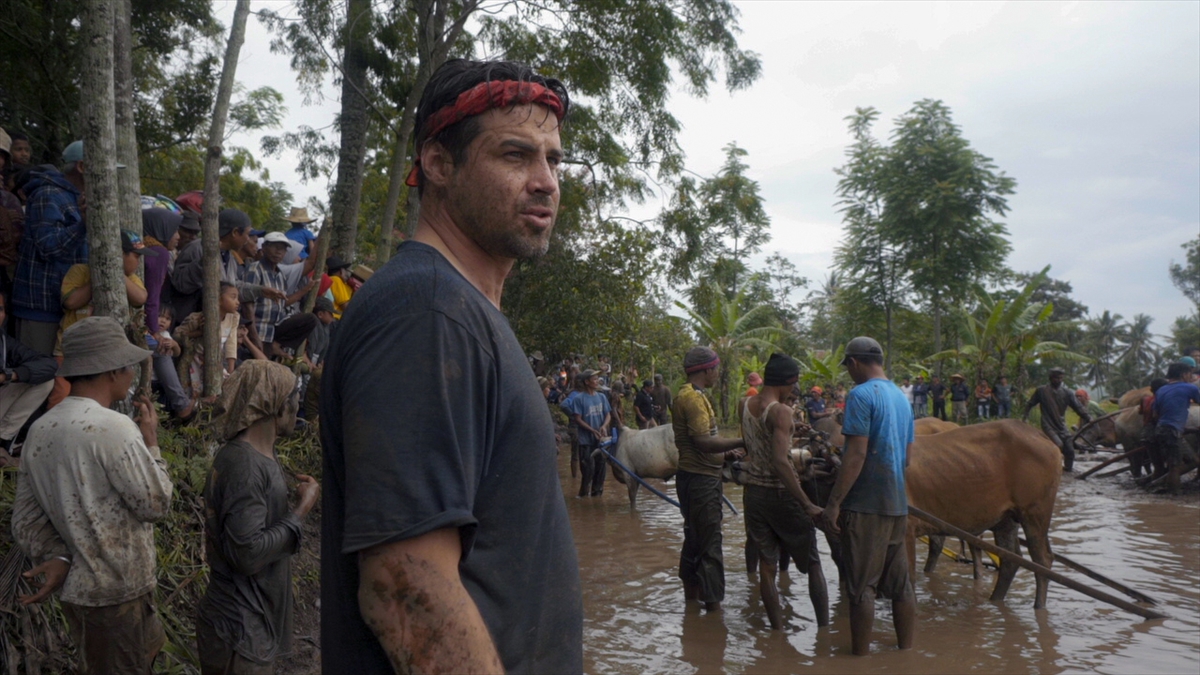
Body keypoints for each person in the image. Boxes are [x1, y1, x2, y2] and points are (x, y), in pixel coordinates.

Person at [319, 58, 581, 674]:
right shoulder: (427, 313)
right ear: (438, 164)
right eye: (516, 155)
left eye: (554, 159)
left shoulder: (463, 313)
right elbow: (407, 591)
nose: (545, 181)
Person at [12, 316, 173, 674]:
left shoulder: (40, 429)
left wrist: (61, 557)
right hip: (120, 592)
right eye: (129, 364)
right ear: (112, 371)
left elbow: (24, 520)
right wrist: (152, 443)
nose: (133, 373)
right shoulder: (114, 427)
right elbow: (155, 504)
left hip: (82, 593)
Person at [196, 360, 320, 675]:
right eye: (295, 399)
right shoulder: (246, 465)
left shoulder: (258, 457)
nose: (299, 406)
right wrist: (300, 511)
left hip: (248, 623)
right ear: (277, 406)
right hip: (239, 629)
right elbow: (247, 554)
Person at [819, 336, 915, 656]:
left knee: (861, 588)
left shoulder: (861, 394)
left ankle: (858, 660)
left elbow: (856, 454)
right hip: (897, 504)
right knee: (901, 587)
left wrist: (833, 504)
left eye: (848, 366)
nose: (848, 373)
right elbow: (907, 458)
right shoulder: (902, 398)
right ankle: (906, 652)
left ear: (855, 363)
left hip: (866, 505)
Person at [740, 353, 828, 630]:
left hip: (753, 494)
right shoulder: (781, 411)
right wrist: (807, 504)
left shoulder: (744, 404)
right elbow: (780, 461)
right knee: (813, 563)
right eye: (795, 384)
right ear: (789, 382)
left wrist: (789, 430)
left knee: (767, 567)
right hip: (781, 495)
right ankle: (825, 631)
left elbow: (754, 443)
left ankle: (777, 631)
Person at [673, 346, 746, 613]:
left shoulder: (693, 396)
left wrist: (726, 452)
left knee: (694, 538)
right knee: (710, 543)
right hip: (701, 480)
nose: (718, 373)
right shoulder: (693, 399)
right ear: (707, 370)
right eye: (716, 368)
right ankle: (714, 610)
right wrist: (742, 439)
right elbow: (703, 442)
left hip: (695, 475)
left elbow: (703, 441)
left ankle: (691, 605)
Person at [12, 143, 90, 355]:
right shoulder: (49, 195)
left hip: (70, 308)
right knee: (39, 379)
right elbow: (48, 247)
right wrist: (83, 225)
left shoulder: (80, 198)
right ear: (82, 166)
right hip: (42, 307)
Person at [171, 209, 283, 323]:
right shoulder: (198, 248)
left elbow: (232, 288)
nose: (247, 239)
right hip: (190, 325)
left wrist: (261, 291)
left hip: (213, 326)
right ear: (235, 232)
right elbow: (180, 284)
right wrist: (204, 261)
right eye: (247, 234)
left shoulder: (229, 256)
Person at [59, 230, 151, 352]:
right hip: (71, 347)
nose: (138, 263)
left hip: (106, 348)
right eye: (136, 256)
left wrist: (115, 271)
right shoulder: (80, 271)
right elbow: (70, 302)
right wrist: (100, 274)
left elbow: (140, 298)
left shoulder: (131, 278)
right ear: (121, 254)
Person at [0, 292, 57, 465]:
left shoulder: (4, 341)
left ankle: (2, 441)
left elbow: (49, 365)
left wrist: (8, 375)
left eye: (0, 309)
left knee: (45, 380)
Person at [244, 231, 319, 353]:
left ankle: (277, 345)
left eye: (283, 249)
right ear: (264, 247)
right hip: (258, 330)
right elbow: (247, 305)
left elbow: (282, 303)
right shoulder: (255, 269)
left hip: (272, 330)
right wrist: (254, 337)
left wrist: (305, 290)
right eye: (275, 247)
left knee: (310, 320)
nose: (279, 252)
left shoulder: (279, 275)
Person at [1022, 367, 1092, 472]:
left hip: (1061, 425)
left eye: (1060, 378)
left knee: (1069, 448)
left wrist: (1088, 418)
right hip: (1048, 424)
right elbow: (1030, 404)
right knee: (1058, 445)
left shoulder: (1067, 393)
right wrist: (1025, 416)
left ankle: (1068, 469)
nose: (1058, 380)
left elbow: (1078, 408)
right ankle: (1050, 468)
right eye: (1056, 378)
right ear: (1050, 378)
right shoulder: (1041, 391)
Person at [1148, 362, 1200, 493]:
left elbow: (1155, 415)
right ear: (1184, 374)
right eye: (1190, 373)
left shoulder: (1161, 390)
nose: (1191, 376)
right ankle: (1174, 494)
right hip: (1172, 431)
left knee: (1186, 461)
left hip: (1161, 429)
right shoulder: (1189, 388)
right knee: (1175, 466)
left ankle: (1160, 484)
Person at [569, 369, 612, 497]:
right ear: (587, 382)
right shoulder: (579, 399)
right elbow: (578, 418)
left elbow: (608, 414)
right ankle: (583, 495)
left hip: (600, 441)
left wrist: (604, 426)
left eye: (597, 379)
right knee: (588, 470)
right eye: (594, 379)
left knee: (600, 470)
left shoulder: (602, 397)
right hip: (586, 440)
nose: (597, 381)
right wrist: (592, 430)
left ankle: (596, 497)